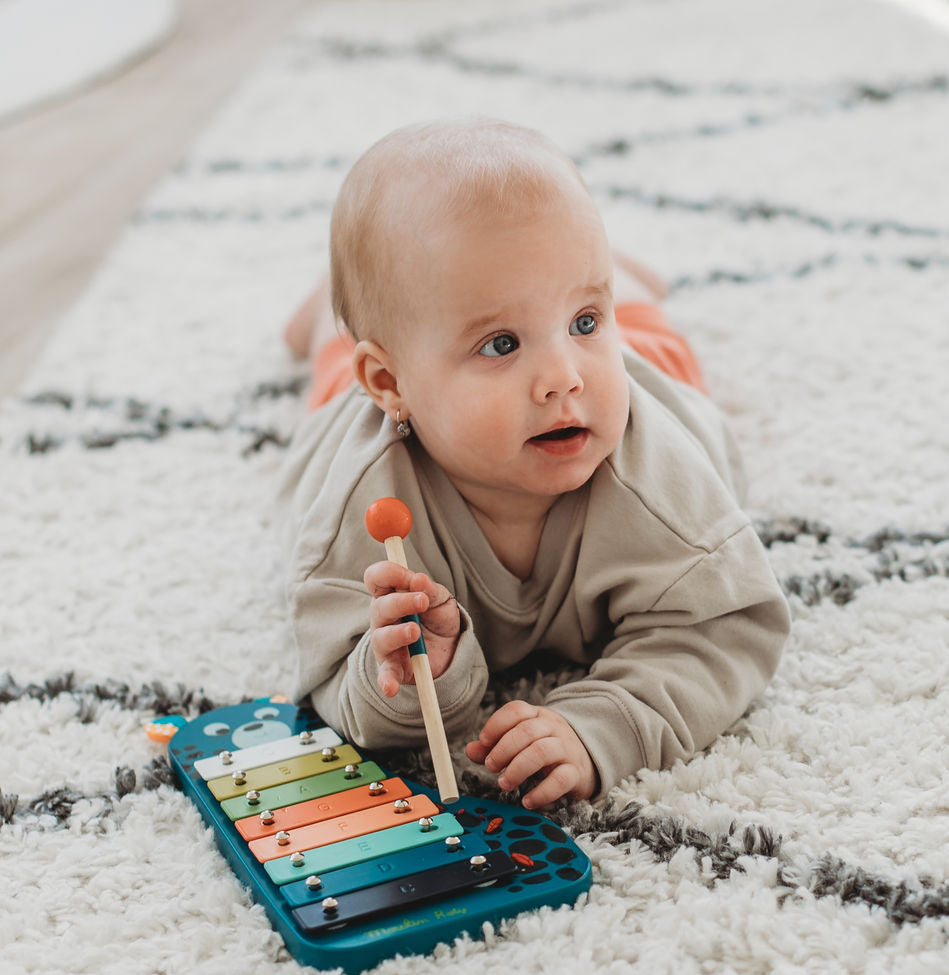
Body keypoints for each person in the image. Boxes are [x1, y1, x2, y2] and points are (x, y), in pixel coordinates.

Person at [276, 117, 790, 810]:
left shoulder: (656, 480)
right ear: (392, 384)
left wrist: (601, 726)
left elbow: (725, 627)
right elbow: (334, 678)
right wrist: (406, 670)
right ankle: (328, 321)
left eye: (584, 320)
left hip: (643, 367)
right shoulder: (363, 513)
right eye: (500, 344)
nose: (562, 378)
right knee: (338, 372)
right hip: (368, 405)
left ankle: (623, 289)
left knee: (653, 341)